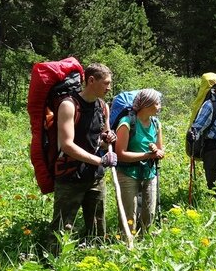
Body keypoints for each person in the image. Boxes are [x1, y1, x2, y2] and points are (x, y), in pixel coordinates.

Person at [49, 63, 117, 254]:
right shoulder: (69, 106)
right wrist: (99, 161)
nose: (109, 87)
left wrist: (108, 139)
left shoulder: (103, 107)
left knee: (97, 225)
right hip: (70, 175)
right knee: (62, 226)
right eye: (106, 83)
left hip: (95, 176)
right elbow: (67, 145)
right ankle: (53, 264)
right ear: (91, 80)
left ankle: (95, 259)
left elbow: (103, 140)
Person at [114, 89, 164, 237]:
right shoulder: (127, 123)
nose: (159, 106)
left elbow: (161, 151)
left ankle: (145, 240)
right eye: (157, 103)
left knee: (149, 212)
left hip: (149, 173)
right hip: (128, 173)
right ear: (146, 105)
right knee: (129, 214)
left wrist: (157, 153)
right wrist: (147, 155)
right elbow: (120, 155)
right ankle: (126, 242)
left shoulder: (156, 123)